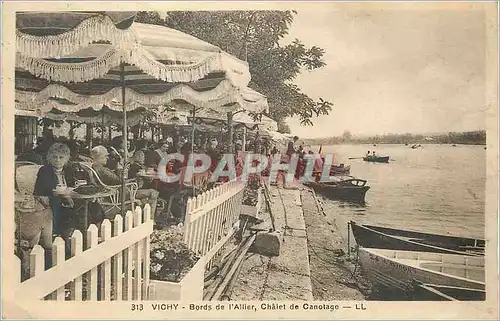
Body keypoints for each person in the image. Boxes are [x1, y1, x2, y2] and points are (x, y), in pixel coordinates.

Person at [33, 143, 76, 239]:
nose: (57, 160)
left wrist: (69, 192)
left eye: (61, 157)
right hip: (51, 199)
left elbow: (75, 186)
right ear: (50, 157)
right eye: (54, 157)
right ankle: (57, 234)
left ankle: (77, 232)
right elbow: (38, 191)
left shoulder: (69, 170)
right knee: (56, 202)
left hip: (69, 198)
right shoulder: (44, 170)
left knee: (84, 203)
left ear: (66, 159)